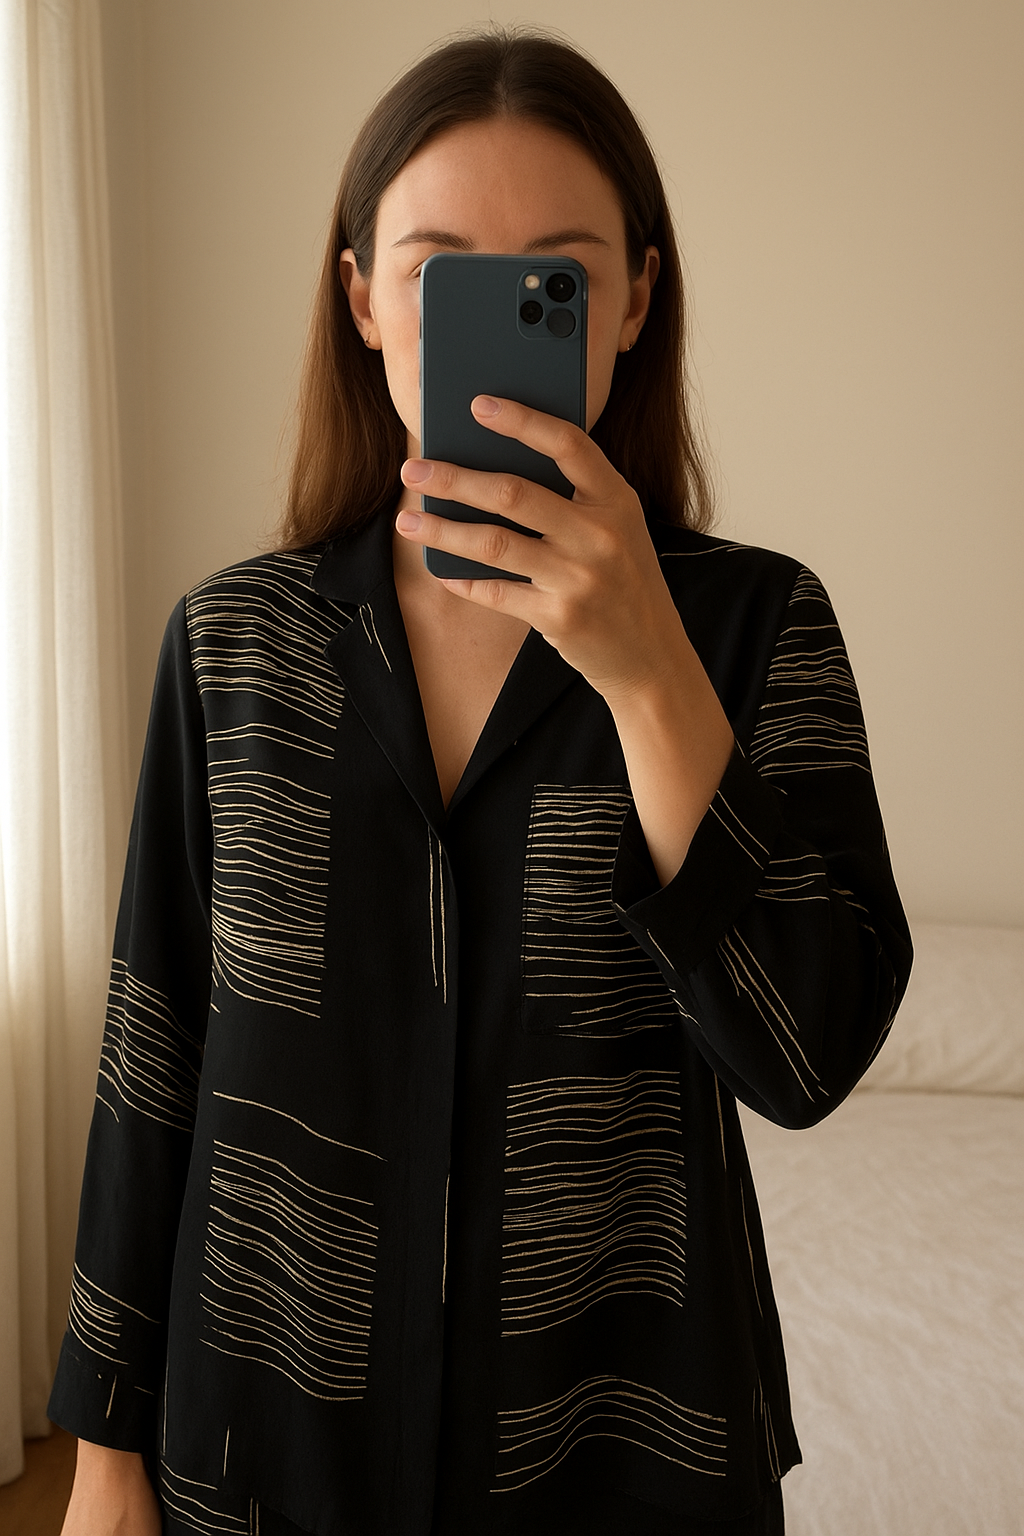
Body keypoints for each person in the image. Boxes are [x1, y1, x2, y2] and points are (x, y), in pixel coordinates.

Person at [50, 27, 912, 1536]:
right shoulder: (235, 641)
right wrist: (104, 1455)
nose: (493, 318)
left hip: (622, 1444)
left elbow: (808, 1056)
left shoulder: (754, 626)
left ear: (632, 300)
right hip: (267, 1439)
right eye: (441, 273)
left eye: (553, 278)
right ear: (363, 301)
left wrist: (644, 672)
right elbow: (154, 1051)